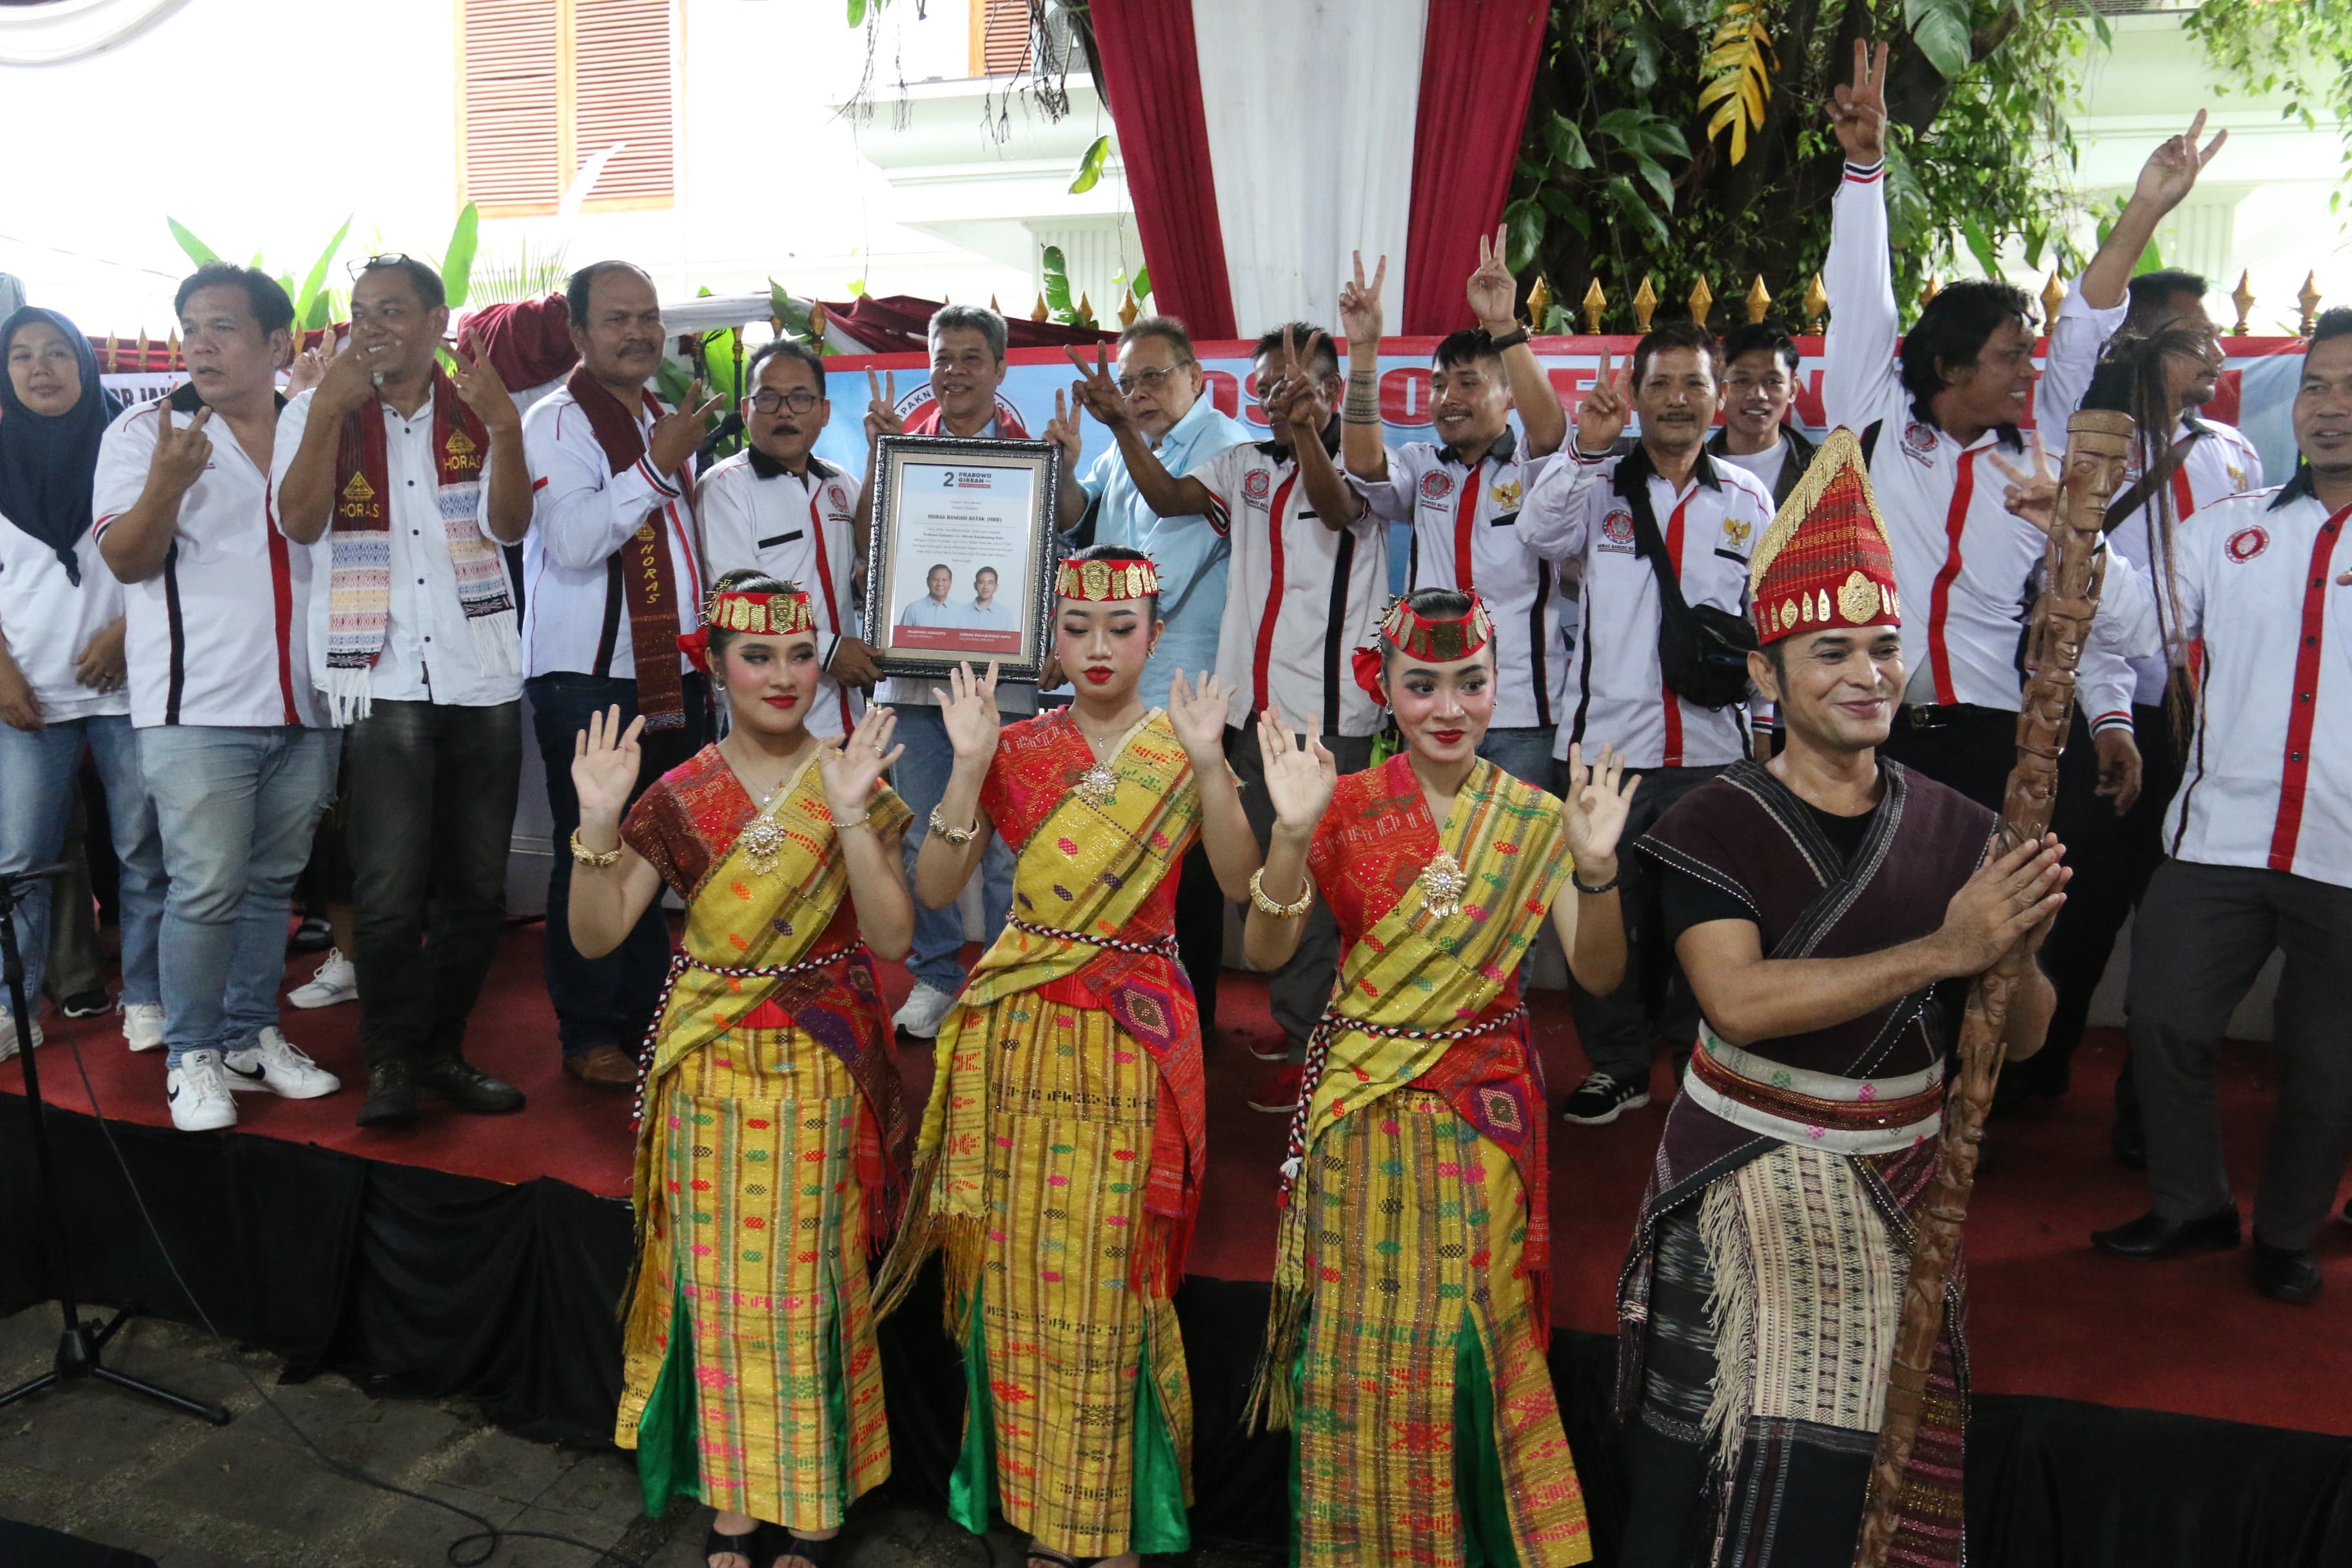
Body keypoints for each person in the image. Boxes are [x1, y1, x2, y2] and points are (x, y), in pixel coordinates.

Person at [1614, 429, 2066, 1566]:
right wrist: (1946, 947)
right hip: (1751, 1164)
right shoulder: (1708, 823)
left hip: (1904, 1172)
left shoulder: (1960, 826)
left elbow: (2022, 1037)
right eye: (1830, 652)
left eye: (1881, 647)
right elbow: (1741, 1004)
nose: (1866, 673)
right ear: (1764, 672)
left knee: (1887, 1458)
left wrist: (2013, 954)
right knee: (1747, 1462)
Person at [876, 546, 1260, 1568]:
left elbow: (1242, 879)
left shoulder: (1183, 745)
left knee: (1114, 1275)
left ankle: (1110, 1516)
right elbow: (939, 882)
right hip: (1019, 1029)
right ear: (1052, 635)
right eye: (1079, 631)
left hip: (1134, 1035)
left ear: (1152, 636)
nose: (1099, 650)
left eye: (1121, 631)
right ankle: (1051, 1516)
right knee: (1025, 1277)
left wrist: (1216, 764)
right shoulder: (1017, 743)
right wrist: (964, 766)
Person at [1243, 587, 1628, 1567]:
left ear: (1501, 687)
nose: (1448, 708)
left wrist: (1594, 869)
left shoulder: (1538, 819)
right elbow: (1266, 945)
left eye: (1470, 683)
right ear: (1387, 692)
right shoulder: (1344, 805)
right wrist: (1289, 835)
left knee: (1475, 1334)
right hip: (1361, 1103)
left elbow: (1597, 973)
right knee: (1358, 1343)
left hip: (1482, 1110)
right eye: (1422, 686)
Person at [573, 574, 916, 1568]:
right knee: (718, 1285)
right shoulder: (682, 795)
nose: (783, 676)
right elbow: (598, 939)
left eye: (801, 654)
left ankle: (811, 1501)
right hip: (710, 1059)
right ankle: (734, 1496)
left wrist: (852, 817)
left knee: (805, 1281)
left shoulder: (852, 773)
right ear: (714, 667)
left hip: (818, 1060)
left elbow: (893, 936)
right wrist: (598, 828)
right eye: (757, 656)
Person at [2090, 309, 2352, 1307]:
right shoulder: (2232, 527)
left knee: (2326, 1069)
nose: (2329, 408)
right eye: (2317, 386)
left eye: (2349, 387)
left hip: (2345, 851)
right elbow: (2137, 615)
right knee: (2164, 1019)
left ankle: (2288, 1232)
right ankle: (2191, 1201)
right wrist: (2073, 533)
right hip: (2219, 839)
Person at [1073, 326, 1389, 1113]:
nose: (1275, 399)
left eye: (1294, 386)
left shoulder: (1361, 466)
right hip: (1252, 712)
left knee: (1319, 877)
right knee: (1258, 878)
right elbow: (1168, 498)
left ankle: (1328, 1040)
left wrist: (1312, 430)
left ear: (1327, 392)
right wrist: (1118, 425)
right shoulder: (1243, 463)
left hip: (1326, 713)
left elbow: (1333, 505)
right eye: (1265, 387)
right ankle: (1302, 1022)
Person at [1822, 42, 2140, 814]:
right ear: (1953, 368)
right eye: (2009, 358)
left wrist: (2073, 530)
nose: (2028, 374)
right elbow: (1864, 297)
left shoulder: (2042, 462)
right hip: (1867, 727)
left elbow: (2110, 618)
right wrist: (1865, 170)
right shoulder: (1876, 417)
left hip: (1994, 737)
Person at [2020, 114, 2251, 1122]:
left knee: (2179, 920)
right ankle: (2033, 1070)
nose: (2215, 358)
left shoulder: (2237, 460)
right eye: (2196, 342)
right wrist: (2150, 206)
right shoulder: (2089, 438)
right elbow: (2084, 319)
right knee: (2082, 903)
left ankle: (2145, 1115)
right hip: (2093, 708)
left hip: (2204, 723)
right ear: (2147, 345)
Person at [273, 255, 531, 1128]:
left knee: (475, 890)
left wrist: (507, 431)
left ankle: (442, 1053)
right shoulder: (317, 408)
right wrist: (326, 414)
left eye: (391, 310)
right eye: (359, 311)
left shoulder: (479, 403)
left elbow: (510, 528)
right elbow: (300, 523)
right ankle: (388, 1059)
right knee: (385, 891)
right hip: (380, 676)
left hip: (480, 670)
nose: (370, 326)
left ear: (436, 319)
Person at [95, 265, 344, 1131]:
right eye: (189, 326)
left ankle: (250, 1034)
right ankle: (191, 1053)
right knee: (203, 887)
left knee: (273, 885)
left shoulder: (314, 427)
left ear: (278, 345)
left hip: (308, 701)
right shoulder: (142, 433)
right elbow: (126, 561)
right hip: (197, 706)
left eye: (223, 328)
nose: (199, 343)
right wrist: (167, 481)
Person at [1521, 322, 1779, 1126]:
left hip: (1715, 754)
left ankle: (1700, 1067)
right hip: (1608, 757)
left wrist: (1768, 731)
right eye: (1661, 384)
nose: (1677, 400)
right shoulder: (1597, 486)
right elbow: (1536, 533)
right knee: (1608, 915)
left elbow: (1764, 621)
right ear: (1634, 397)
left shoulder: (1747, 497)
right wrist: (1585, 450)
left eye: (1694, 385)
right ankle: (1618, 1066)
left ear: (1719, 399)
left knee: (1706, 922)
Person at [520, 260, 722, 1088]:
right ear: (577, 334)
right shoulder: (557, 422)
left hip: (670, 670)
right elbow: (572, 542)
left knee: (662, 852)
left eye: (648, 316)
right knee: (593, 850)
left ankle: (650, 1015)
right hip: (589, 678)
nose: (639, 331)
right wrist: (655, 465)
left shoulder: (657, 418)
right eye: (617, 318)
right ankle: (590, 1029)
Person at [858, 306, 1069, 1043]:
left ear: (1002, 369)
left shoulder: (1034, 458)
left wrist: (1064, 465)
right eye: (943, 357)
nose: (955, 371)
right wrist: (875, 460)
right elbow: (866, 550)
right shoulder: (899, 456)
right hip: (916, 684)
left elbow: (1064, 534)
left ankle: (1012, 974)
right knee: (923, 835)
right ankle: (937, 974)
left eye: (972, 358)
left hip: (1003, 684)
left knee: (1012, 838)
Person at [1060, 315, 1254, 1038]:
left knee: (1189, 867)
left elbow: (1166, 533)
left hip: (1189, 689)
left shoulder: (1227, 445)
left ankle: (1191, 1025)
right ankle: (1125, 1009)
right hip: (1121, 683)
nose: (1139, 391)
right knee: (1122, 850)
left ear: (1196, 378)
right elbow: (1091, 527)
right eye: (1130, 378)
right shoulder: (1124, 447)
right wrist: (1066, 468)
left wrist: (1119, 432)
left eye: (1155, 375)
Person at [1340, 236, 1573, 787]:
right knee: (1435, 858)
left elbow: (1552, 431)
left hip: (1521, 712)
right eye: (1439, 384)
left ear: (1508, 395)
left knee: (1515, 862)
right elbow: (1364, 463)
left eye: (1468, 383)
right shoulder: (1423, 466)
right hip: (1431, 703)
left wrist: (1503, 328)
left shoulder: (1533, 464)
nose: (1448, 397)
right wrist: (1364, 352)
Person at [0, 304, 166, 1060]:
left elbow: (176, 548)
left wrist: (127, 635)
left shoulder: (130, 445)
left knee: (144, 853)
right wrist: (0, 671)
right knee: (19, 863)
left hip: (132, 685)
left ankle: (152, 997)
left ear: (85, 362)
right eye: (22, 355)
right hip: (26, 691)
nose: (40, 368)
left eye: (57, 352)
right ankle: (12, 1008)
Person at [698, 337, 879, 740]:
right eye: (768, 399)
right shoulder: (725, 488)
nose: (784, 412)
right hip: (773, 715)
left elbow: (861, 564)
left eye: (800, 398)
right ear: (746, 410)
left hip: (848, 714)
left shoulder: (840, 483)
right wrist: (832, 651)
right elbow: (741, 600)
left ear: (824, 411)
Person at [1709, 322, 1819, 507]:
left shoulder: (1824, 470)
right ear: (1720, 390)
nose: (1757, 395)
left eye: (1773, 381)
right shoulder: (1690, 470)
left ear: (1792, 390)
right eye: (1741, 381)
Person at [963, 566, 1015, 630]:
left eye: (990, 583)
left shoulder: (1006, 615)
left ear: (996, 587)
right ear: (975, 586)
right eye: (982, 582)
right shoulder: (962, 611)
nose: (985, 587)